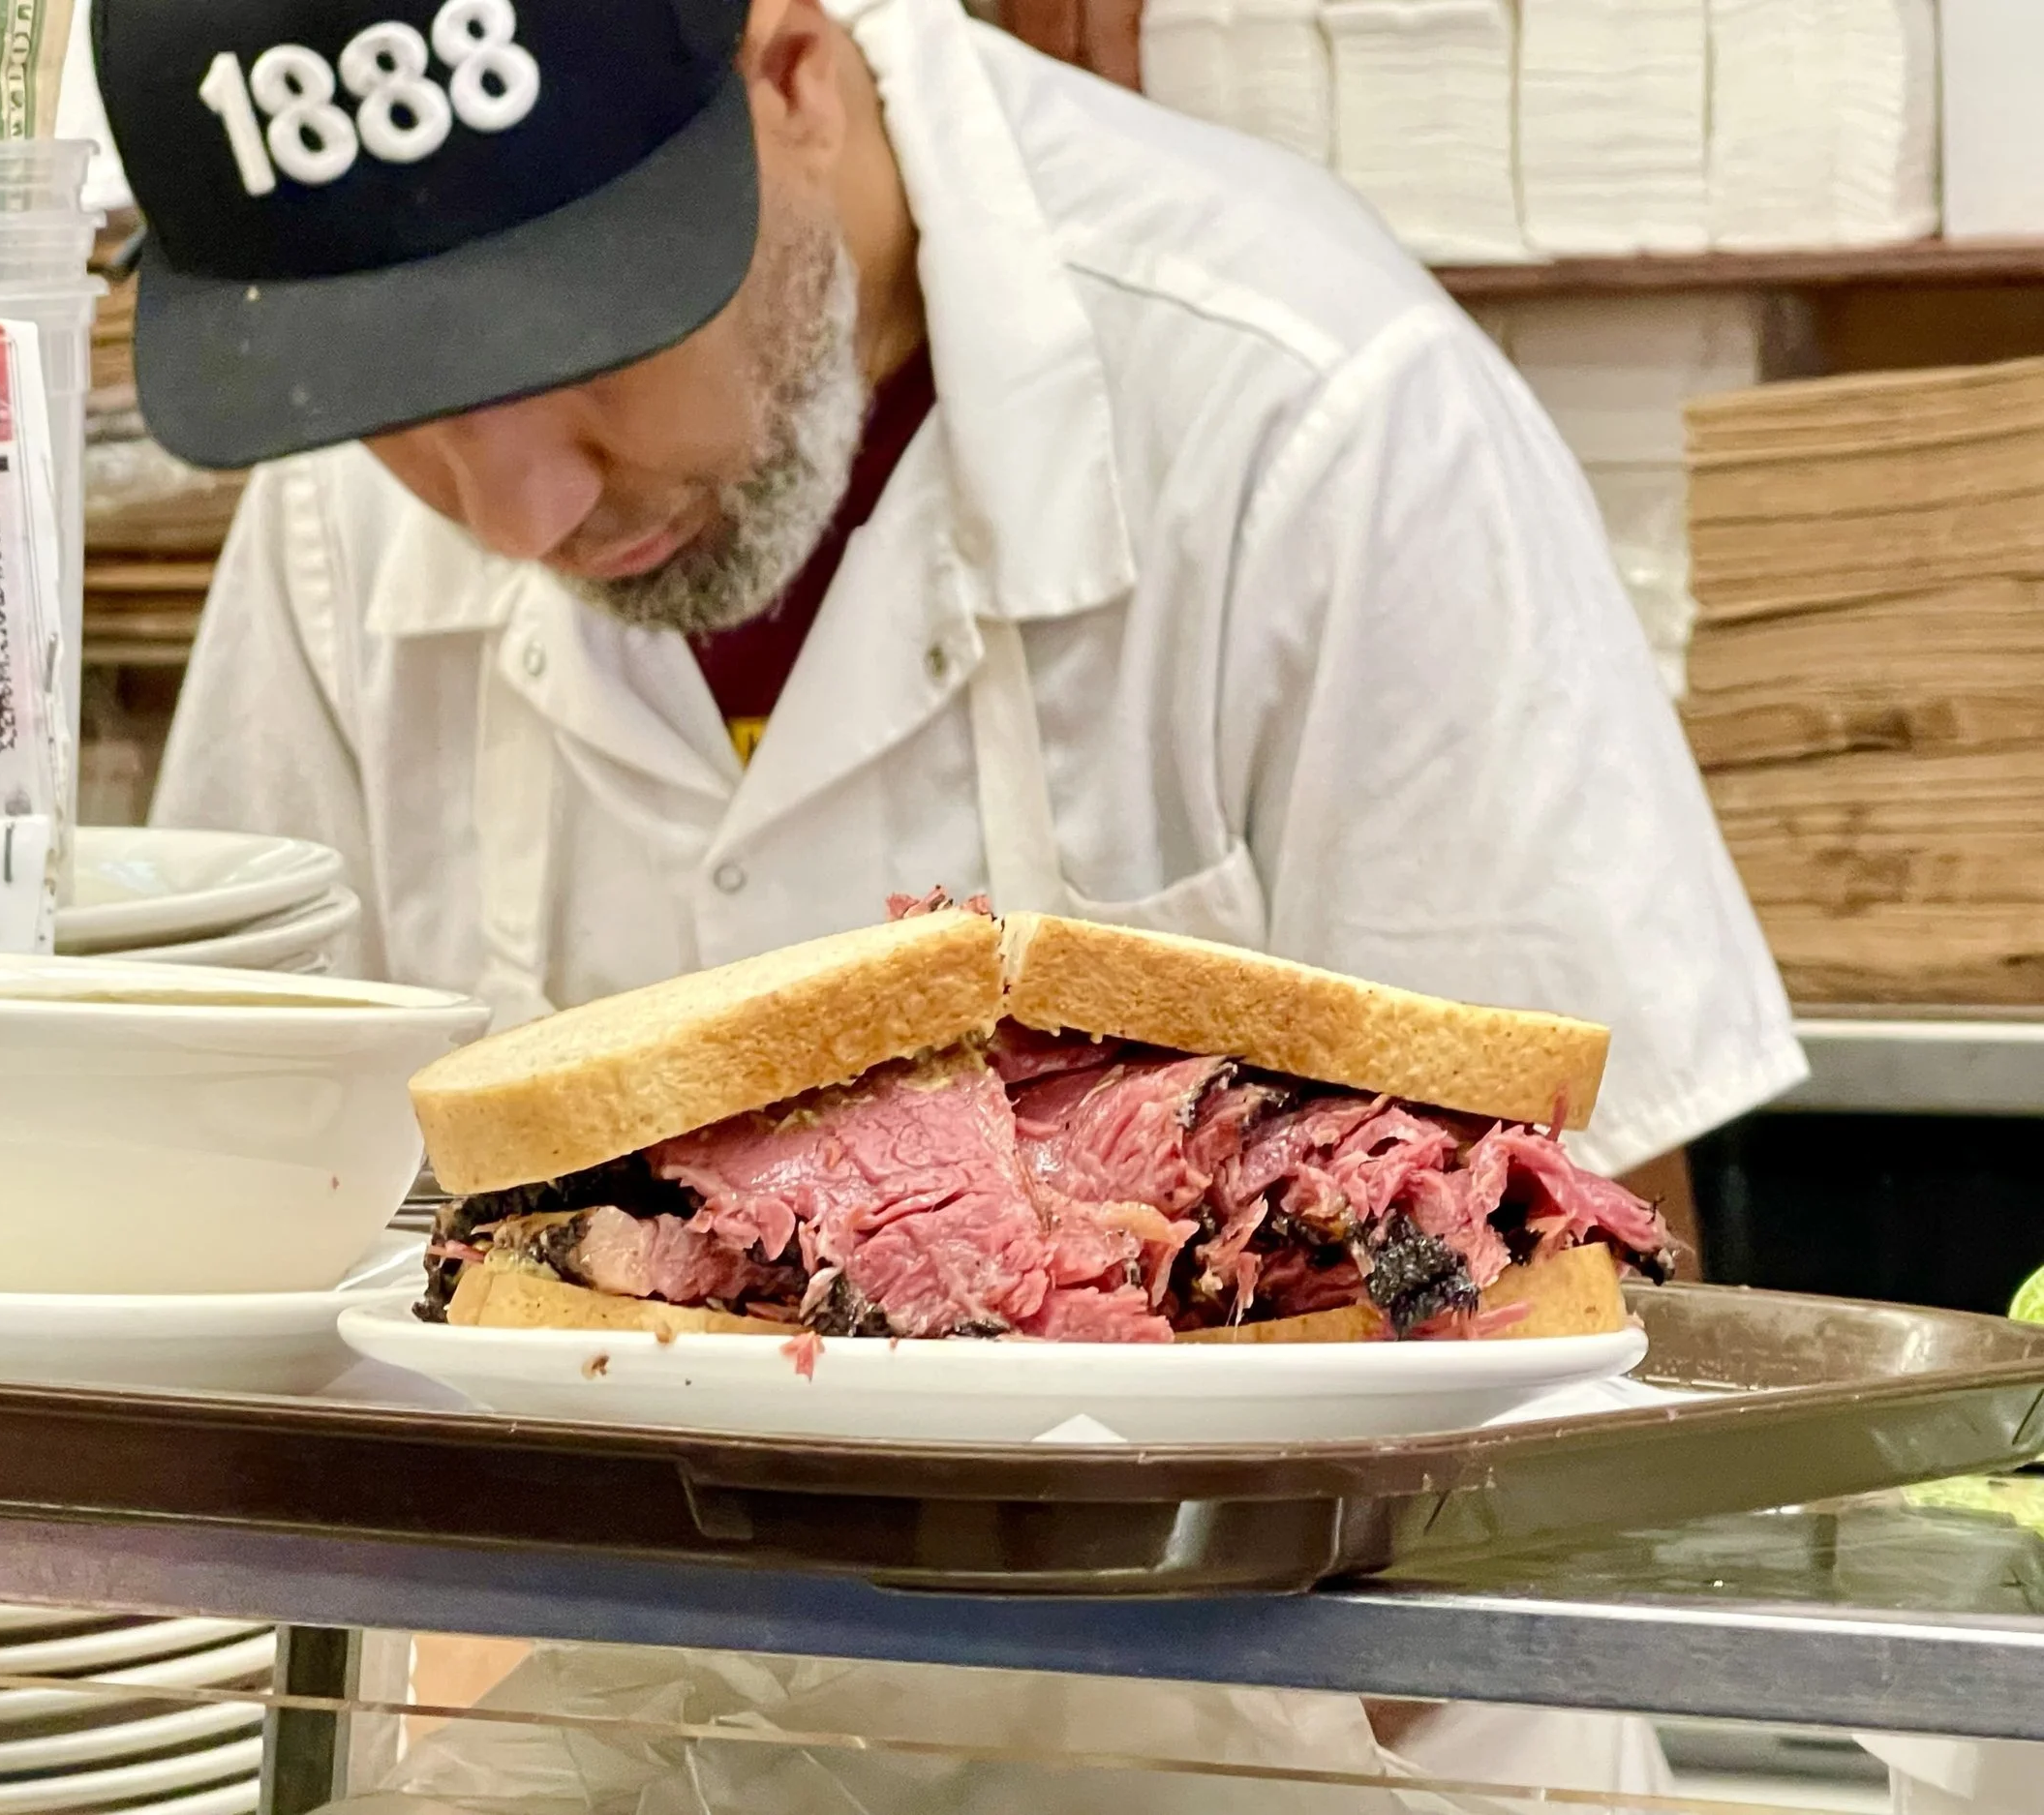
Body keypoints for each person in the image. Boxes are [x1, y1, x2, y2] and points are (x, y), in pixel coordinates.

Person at [97, 0, 1804, 1796]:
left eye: (573, 346)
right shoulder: (333, 524)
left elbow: (1574, 1295)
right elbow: (240, 1214)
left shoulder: (1305, 403)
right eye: (404, 407)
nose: (513, 505)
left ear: (792, 76)